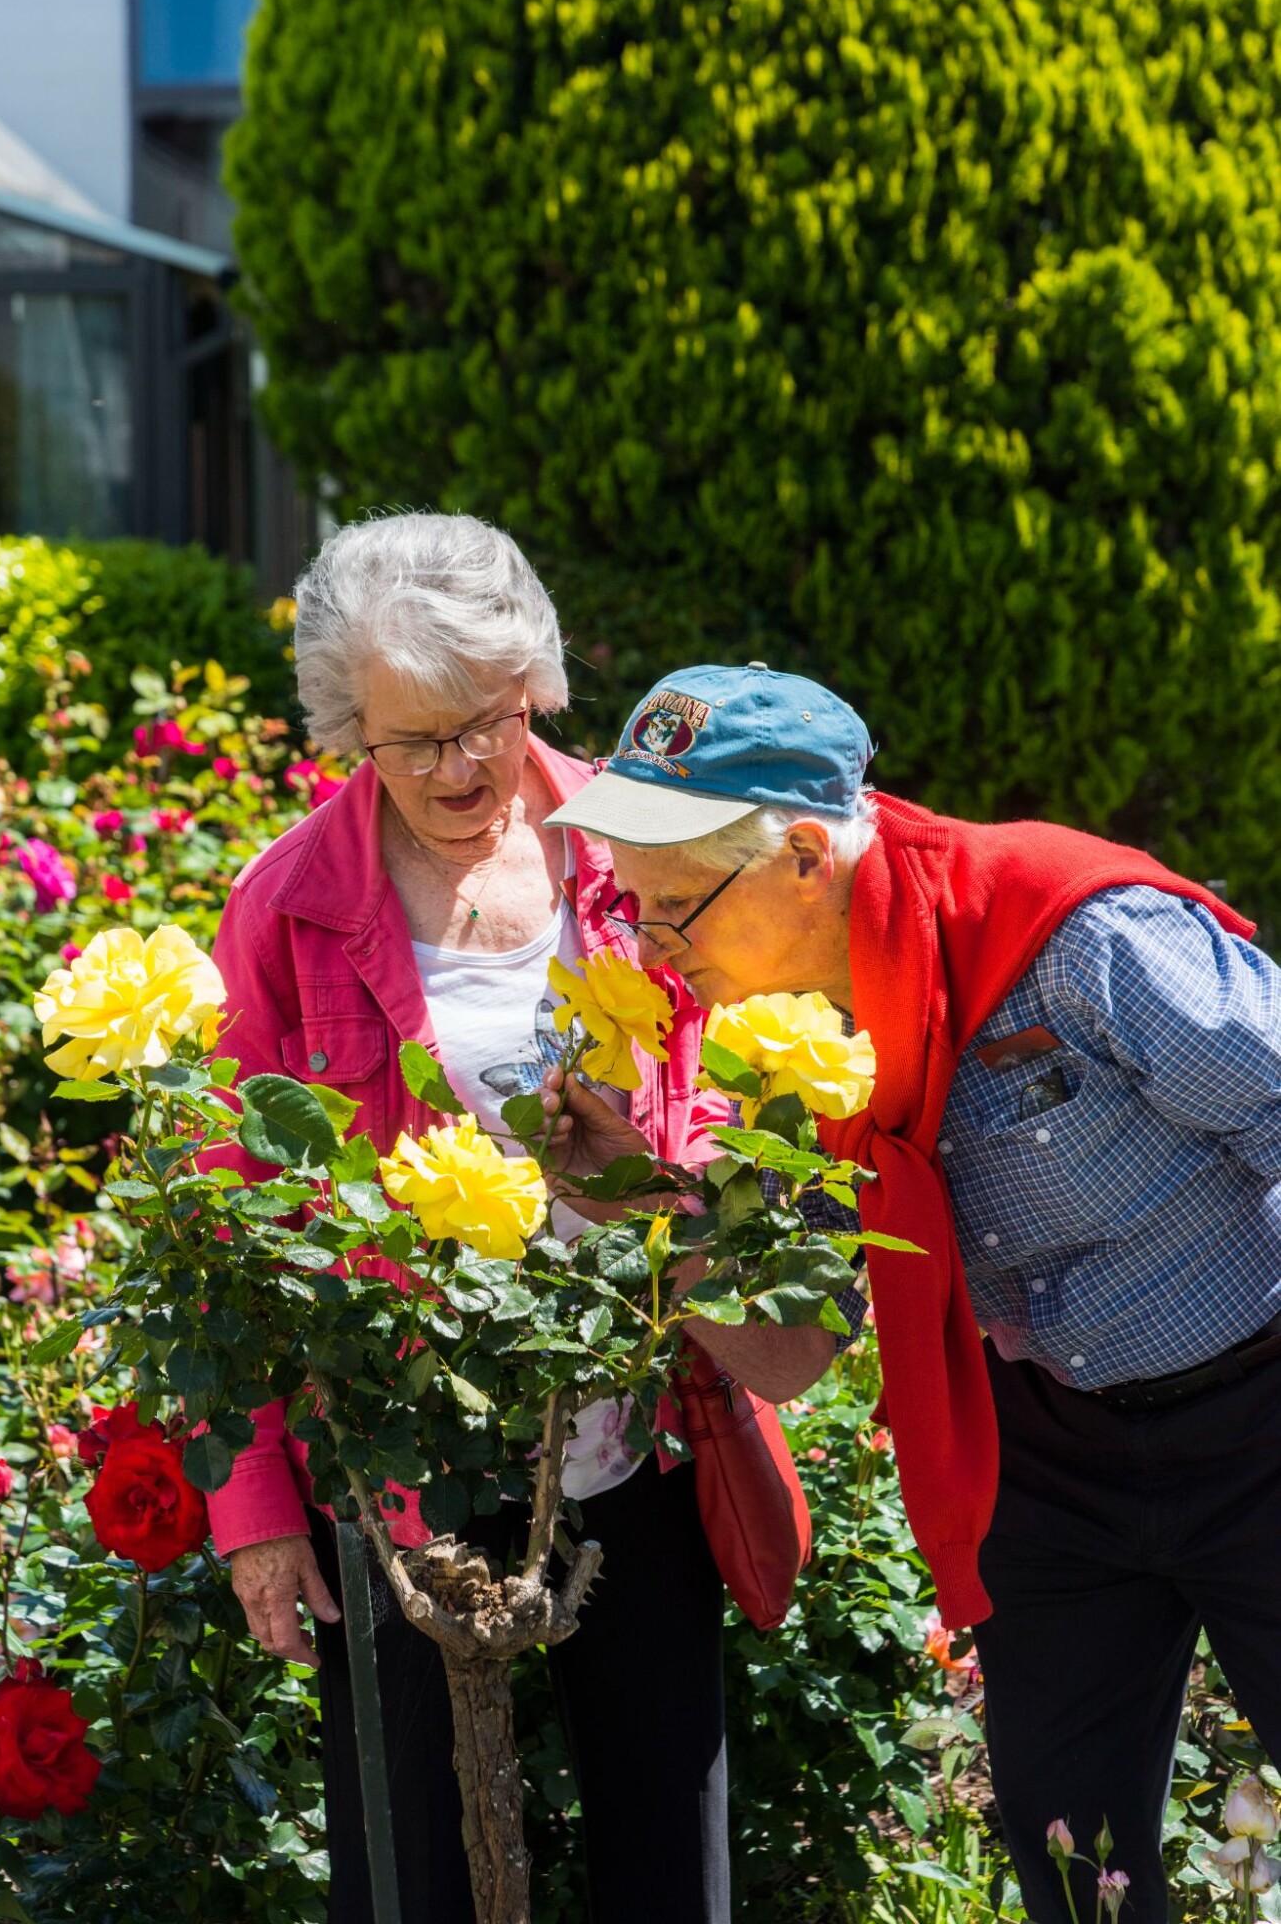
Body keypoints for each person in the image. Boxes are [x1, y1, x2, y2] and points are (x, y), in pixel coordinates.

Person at [547, 660, 1281, 1924]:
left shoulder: (1069, 932)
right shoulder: (774, 1041)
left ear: (803, 862)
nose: (652, 942)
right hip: (1048, 1453)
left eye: (676, 905)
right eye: (636, 901)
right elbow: (784, 1355)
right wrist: (642, 1208)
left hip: (1258, 1413)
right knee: (1072, 1857)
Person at [205, 521, 818, 1924]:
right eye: (414, 740)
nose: (464, 769)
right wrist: (253, 1510)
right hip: (399, 1452)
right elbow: (237, 1228)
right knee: (411, 1866)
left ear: (534, 689)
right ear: (349, 728)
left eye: (488, 720)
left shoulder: (628, 848)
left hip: (639, 1430)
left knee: (674, 1851)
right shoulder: (287, 908)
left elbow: (730, 1096)